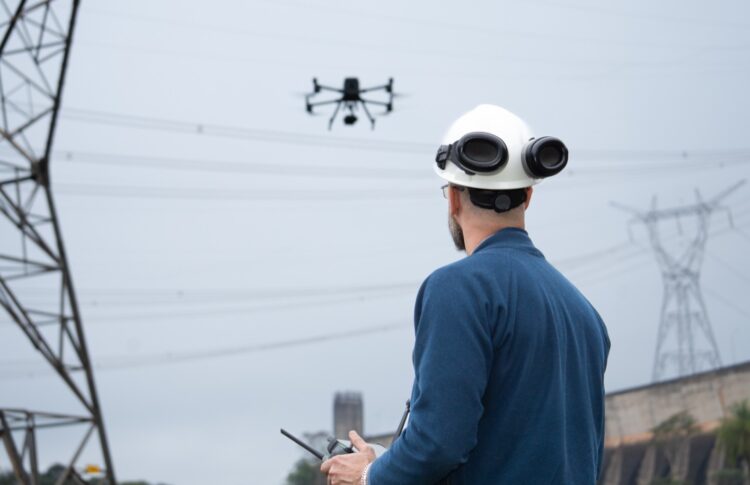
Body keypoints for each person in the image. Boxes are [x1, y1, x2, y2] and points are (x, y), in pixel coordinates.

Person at [321, 104, 611, 485]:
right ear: (528, 195)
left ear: (454, 197)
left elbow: (439, 443)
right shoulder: (584, 313)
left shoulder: (456, 289)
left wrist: (369, 475)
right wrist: (388, 461)